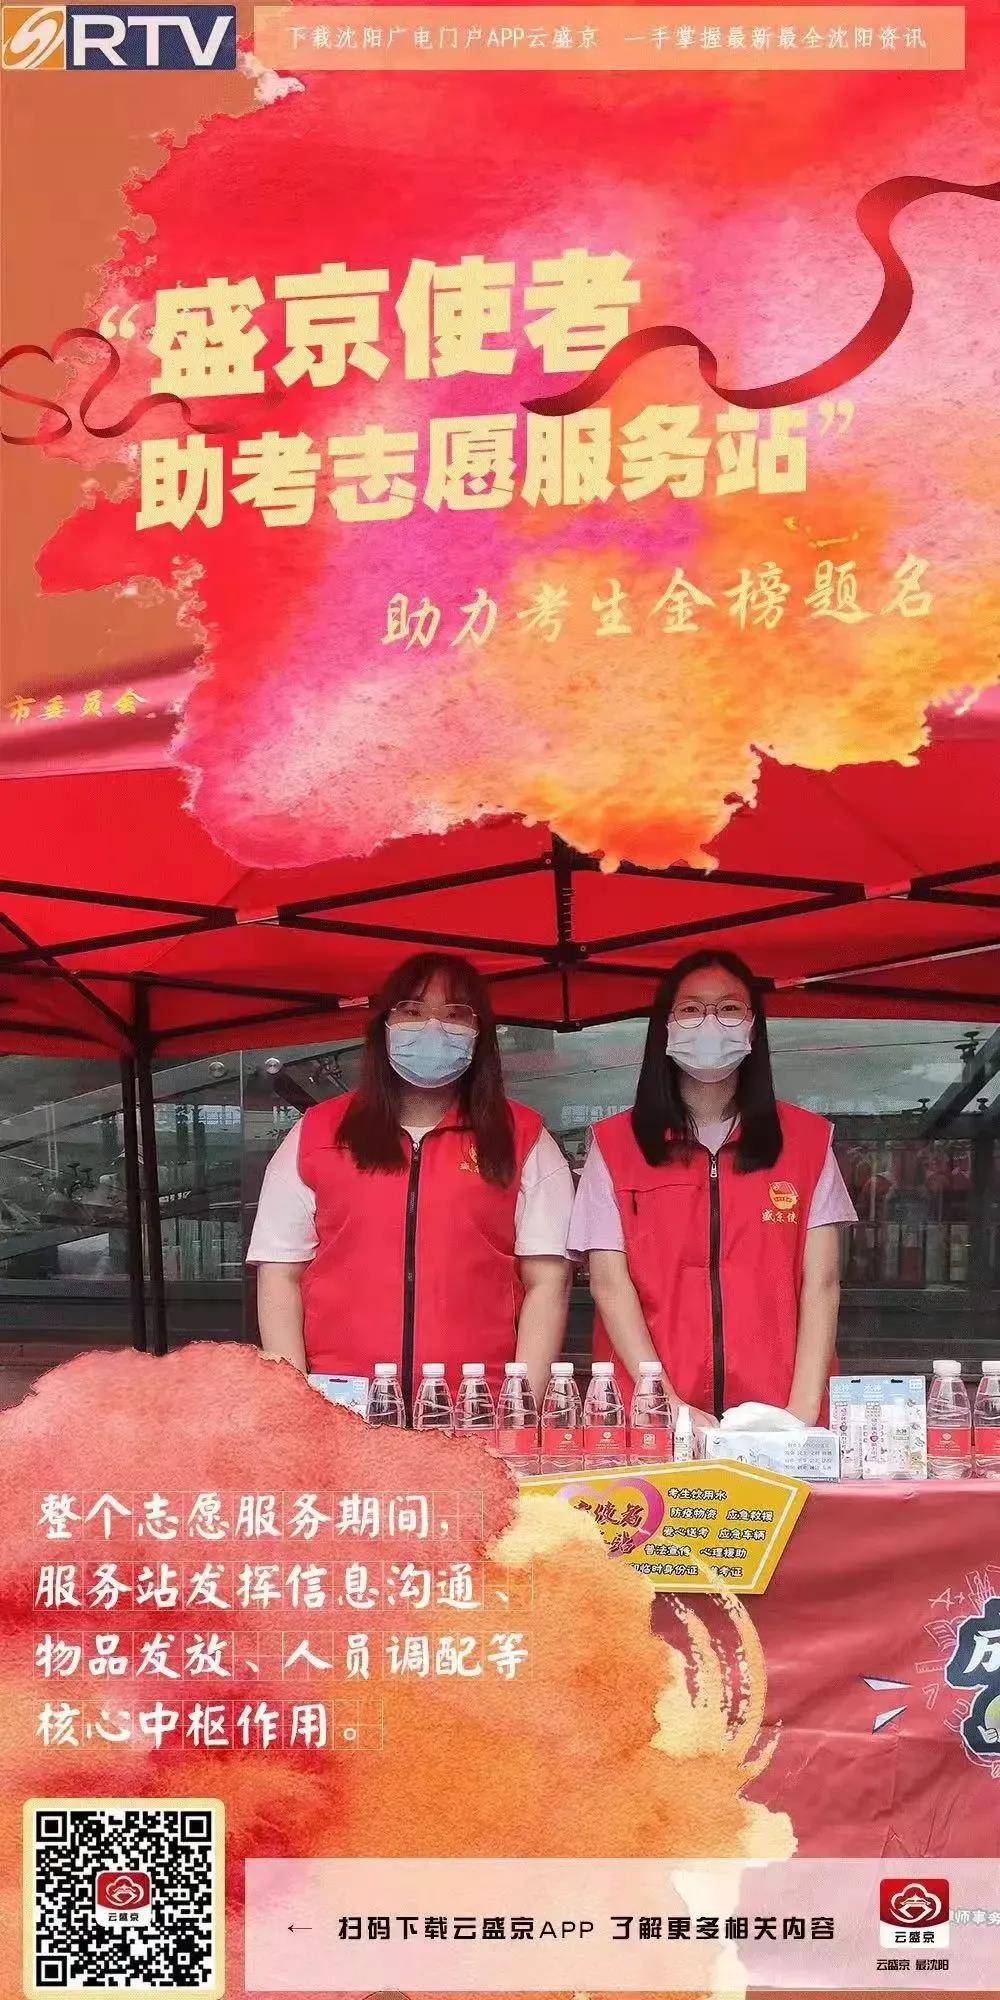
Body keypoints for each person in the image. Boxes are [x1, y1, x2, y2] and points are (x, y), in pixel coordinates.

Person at [248, 951, 574, 1406]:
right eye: (412, 1010)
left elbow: (548, 1283)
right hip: (342, 1405)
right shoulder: (317, 1133)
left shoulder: (523, 1137)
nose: (432, 1028)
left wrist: (520, 1408)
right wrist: (297, 1404)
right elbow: (280, 1274)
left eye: (455, 1014)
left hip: (476, 1407)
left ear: (480, 1032)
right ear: (384, 1024)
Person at [568, 950, 856, 1428]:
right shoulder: (615, 1145)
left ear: (753, 1028)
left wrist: (800, 1414)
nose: (710, 1023)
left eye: (729, 1009)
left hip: (780, 1414)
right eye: (690, 1009)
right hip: (650, 1413)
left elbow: (822, 1283)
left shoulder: (807, 1142)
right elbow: (608, 1283)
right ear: (664, 1027)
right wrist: (666, 1402)